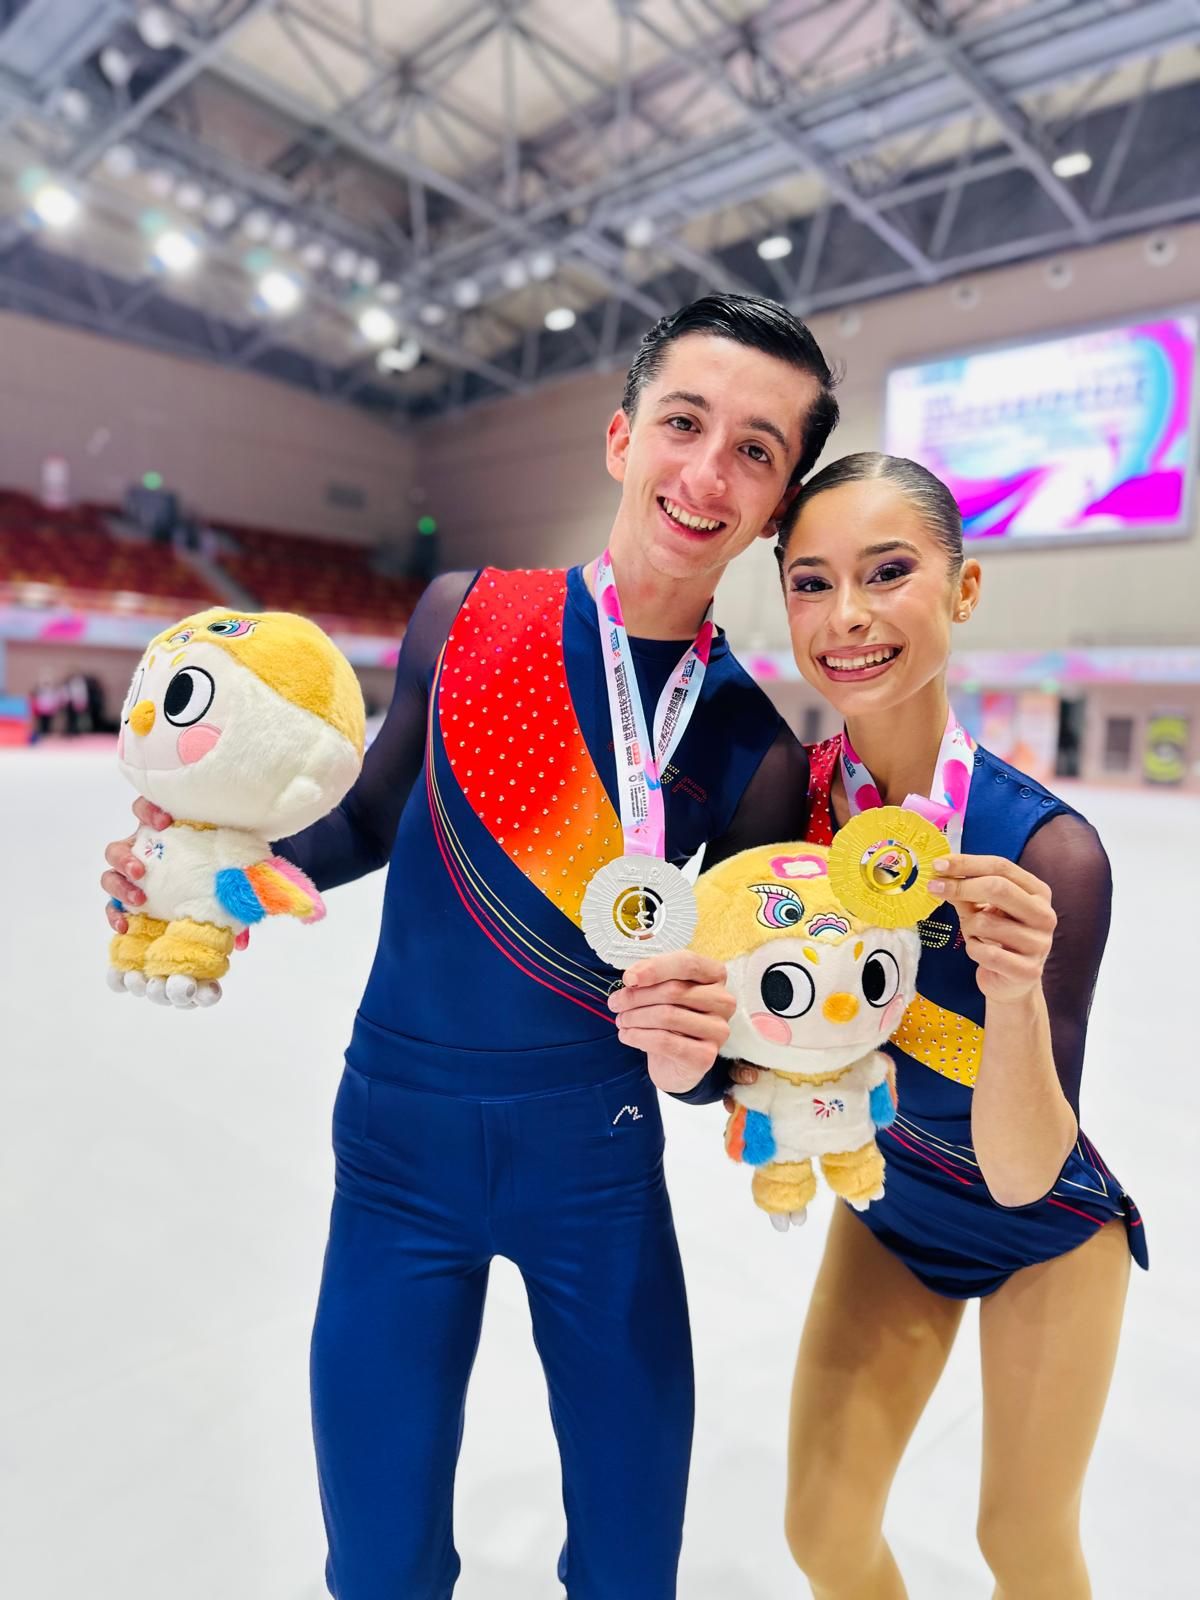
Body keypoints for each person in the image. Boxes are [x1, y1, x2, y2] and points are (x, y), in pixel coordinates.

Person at [101, 294, 839, 1600]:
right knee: (377, 1566)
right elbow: (379, 810)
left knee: (629, 1567)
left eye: (758, 451)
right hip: (398, 1155)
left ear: (777, 505)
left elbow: (740, 1031)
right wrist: (217, 872)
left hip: (597, 1173)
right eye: (685, 422)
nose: (708, 471)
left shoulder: (754, 751)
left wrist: (712, 1060)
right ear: (620, 437)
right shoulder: (467, 611)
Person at [766, 452, 1145, 1600]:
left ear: (965, 588)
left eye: (889, 572)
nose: (850, 616)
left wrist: (1018, 990)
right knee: (824, 1532)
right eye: (811, 582)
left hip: (1046, 1233)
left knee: (1022, 1545)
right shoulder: (792, 805)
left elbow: (1031, 1168)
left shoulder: (1046, 852)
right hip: (892, 1207)